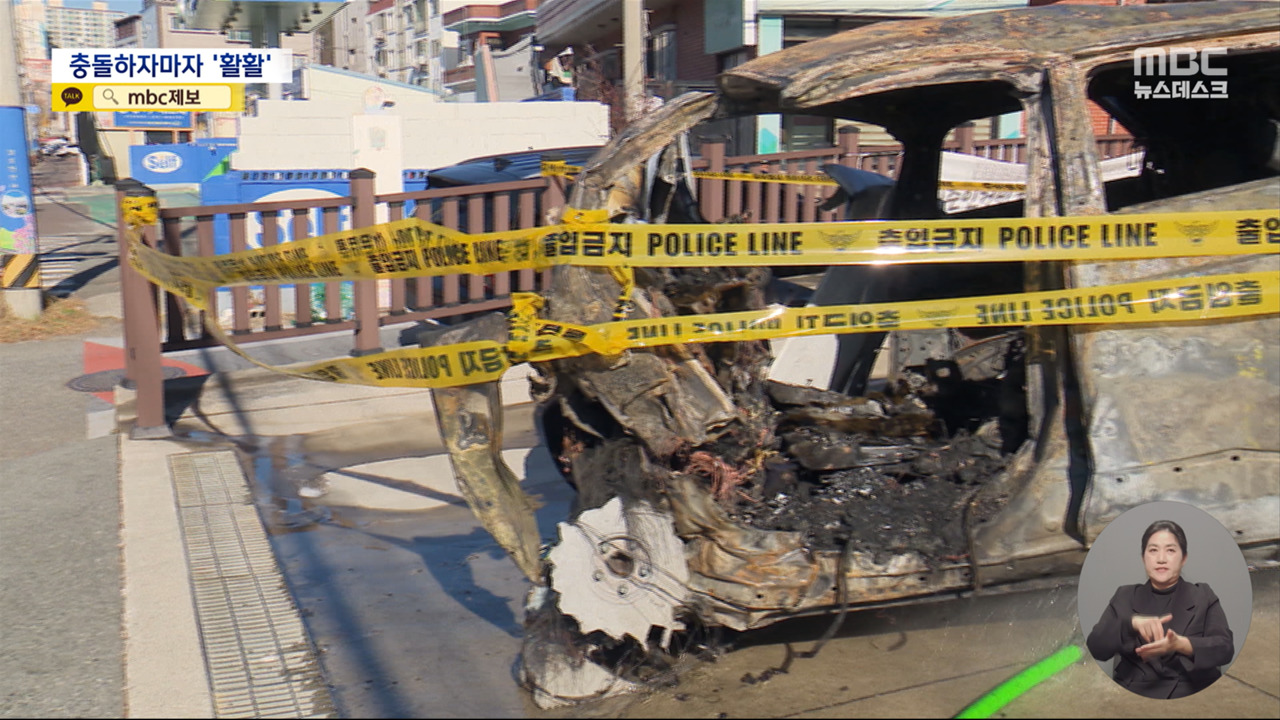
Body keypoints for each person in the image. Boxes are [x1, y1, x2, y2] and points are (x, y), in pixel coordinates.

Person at [1086, 519, 1235, 699]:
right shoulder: (1124, 596)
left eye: (1170, 550)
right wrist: (1130, 623)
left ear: (1184, 558)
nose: (1161, 559)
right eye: (1153, 550)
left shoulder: (1203, 595)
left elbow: (1225, 648)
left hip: (1192, 692)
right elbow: (1096, 647)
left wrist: (1181, 644)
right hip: (1135, 696)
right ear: (1143, 557)